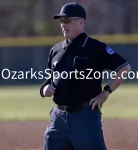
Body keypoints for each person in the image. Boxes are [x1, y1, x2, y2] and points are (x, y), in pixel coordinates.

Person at [40, 2, 131, 150]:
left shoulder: (95, 48)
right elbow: (49, 81)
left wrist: (106, 92)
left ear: (81, 22)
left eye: (68, 20)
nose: (63, 24)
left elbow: (124, 68)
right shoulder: (55, 50)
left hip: (84, 116)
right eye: (62, 21)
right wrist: (45, 91)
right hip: (58, 119)